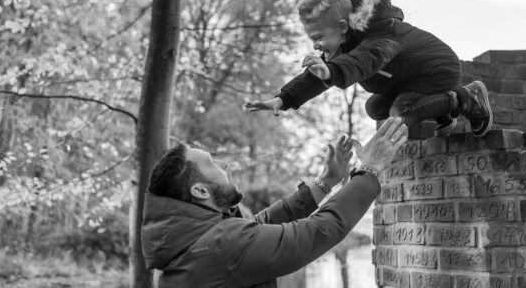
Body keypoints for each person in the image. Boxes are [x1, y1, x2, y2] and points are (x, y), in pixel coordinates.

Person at [142, 116, 408, 288]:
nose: (224, 164)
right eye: (212, 164)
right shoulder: (221, 245)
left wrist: (326, 181)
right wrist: (370, 169)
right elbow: (316, 232)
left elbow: (258, 226)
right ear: (200, 191)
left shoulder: (192, 243)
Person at [244, 0, 493, 137]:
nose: (316, 44)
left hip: (436, 69)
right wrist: (283, 99)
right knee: (374, 108)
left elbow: (365, 59)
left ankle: (466, 98)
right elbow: (315, 78)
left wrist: (330, 71)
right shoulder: (342, 43)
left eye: (319, 37)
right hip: (408, 80)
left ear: (342, 27)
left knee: (399, 117)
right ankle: (441, 112)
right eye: (312, 39)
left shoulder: (380, 35)